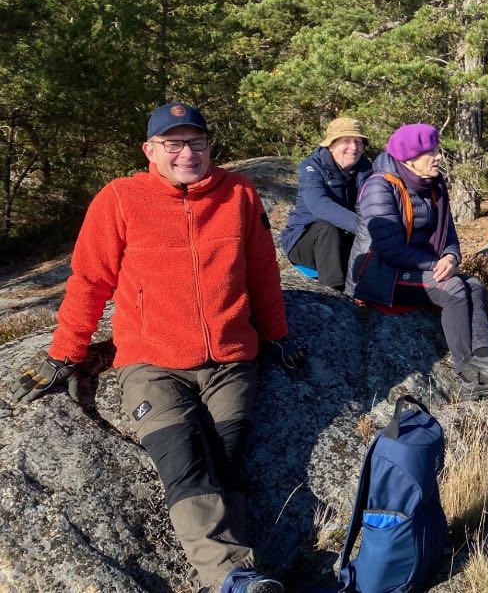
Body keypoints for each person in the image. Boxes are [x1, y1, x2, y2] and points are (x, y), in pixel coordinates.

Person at [10, 103, 304, 593]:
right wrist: (65, 352)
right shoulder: (121, 198)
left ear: (210, 147)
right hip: (152, 363)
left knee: (224, 459)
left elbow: (262, 273)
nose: (187, 153)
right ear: (151, 150)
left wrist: (276, 334)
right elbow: (89, 281)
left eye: (197, 143)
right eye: (174, 144)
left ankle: (237, 575)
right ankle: (232, 578)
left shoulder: (239, 194)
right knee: (183, 458)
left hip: (230, 360)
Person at [345, 123, 488, 399]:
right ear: (410, 157)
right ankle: (467, 374)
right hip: (381, 274)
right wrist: (434, 265)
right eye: (432, 152)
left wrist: (451, 256)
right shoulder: (380, 186)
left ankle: (487, 361)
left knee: (474, 285)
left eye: (438, 150)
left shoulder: (434, 184)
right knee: (452, 290)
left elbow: (448, 230)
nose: (439, 157)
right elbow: (389, 249)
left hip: (418, 265)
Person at [280, 117, 372, 290]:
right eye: (346, 141)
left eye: (358, 142)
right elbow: (319, 204)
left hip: (345, 237)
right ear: (331, 145)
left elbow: (374, 201)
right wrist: (363, 227)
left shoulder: (365, 169)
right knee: (326, 227)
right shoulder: (312, 168)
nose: (354, 147)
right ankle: (334, 289)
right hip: (304, 242)